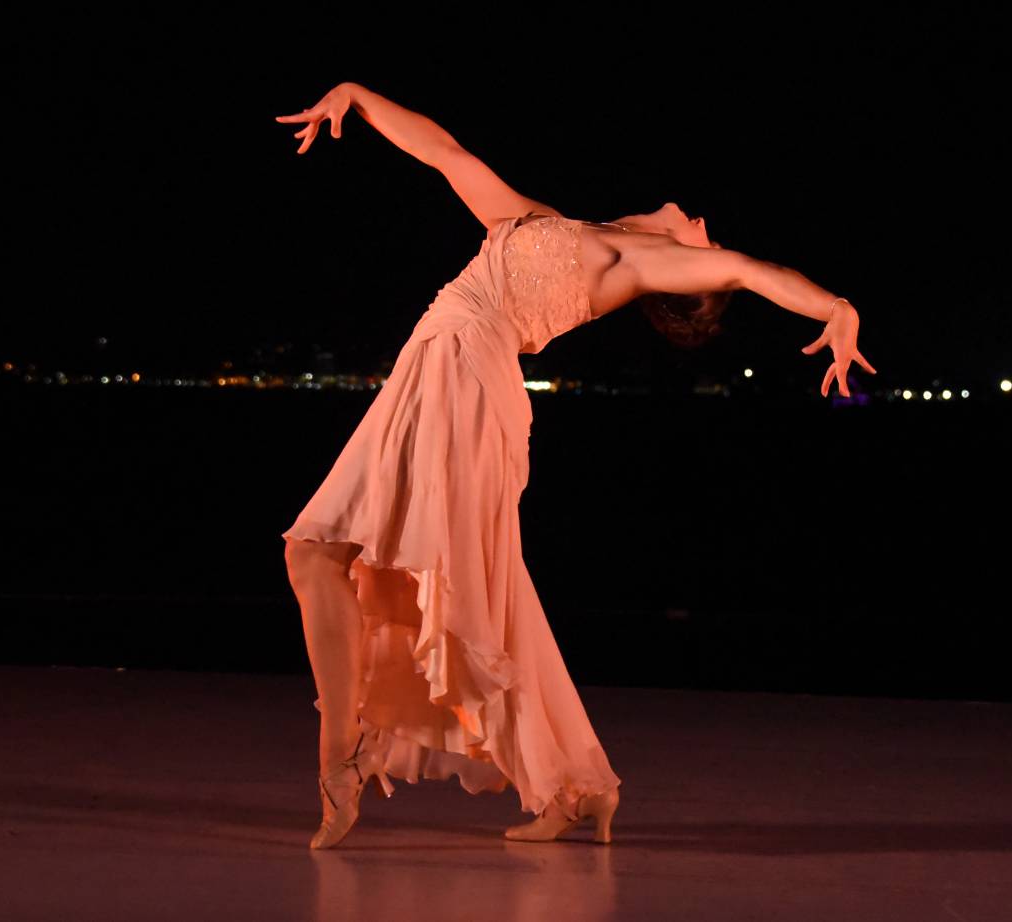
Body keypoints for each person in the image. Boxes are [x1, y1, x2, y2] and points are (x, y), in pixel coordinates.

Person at [275, 83, 876, 850]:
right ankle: (575, 785)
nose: (705, 224)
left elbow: (747, 272)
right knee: (353, 563)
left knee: (407, 577)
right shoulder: (553, 223)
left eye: (706, 241)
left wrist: (835, 308)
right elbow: (445, 153)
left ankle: (345, 759)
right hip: (437, 373)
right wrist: (359, 97)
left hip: (464, 380)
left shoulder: (642, 259)